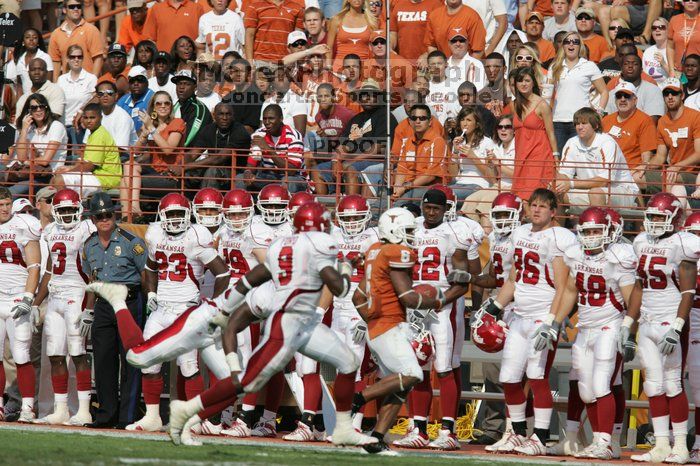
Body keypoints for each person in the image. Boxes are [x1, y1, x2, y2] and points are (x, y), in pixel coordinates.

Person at [87, 203, 378, 449]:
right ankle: (118, 301)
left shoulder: (294, 275)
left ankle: (341, 425)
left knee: (345, 360)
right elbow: (239, 310)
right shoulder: (272, 287)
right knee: (139, 356)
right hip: (210, 317)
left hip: (232, 316)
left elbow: (333, 284)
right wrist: (228, 345)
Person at [349, 206, 472, 455]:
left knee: (402, 385)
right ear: (393, 231)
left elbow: (357, 296)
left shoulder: (374, 250)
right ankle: (359, 398)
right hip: (390, 326)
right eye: (406, 231)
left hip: (381, 324)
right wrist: (438, 299)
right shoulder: (396, 251)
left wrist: (369, 318)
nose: (411, 236)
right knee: (413, 373)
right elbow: (407, 297)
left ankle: (377, 439)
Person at [473, 188, 577, 455]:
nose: (537, 210)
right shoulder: (520, 234)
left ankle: (540, 437)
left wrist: (554, 321)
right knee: (509, 377)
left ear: (554, 211)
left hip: (543, 315)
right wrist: (495, 307)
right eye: (534, 205)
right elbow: (513, 279)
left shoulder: (559, 237)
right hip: (519, 314)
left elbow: (563, 287)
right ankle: (518, 434)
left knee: (537, 376)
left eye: (543, 206)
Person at [126, 193, 229, 432]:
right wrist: (151, 293)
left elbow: (222, 273)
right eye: (170, 214)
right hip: (161, 309)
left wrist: (213, 305)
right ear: (162, 216)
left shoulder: (196, 237)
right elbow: (150, 267)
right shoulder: (154, 234)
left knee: (188, 366)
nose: (174, 219)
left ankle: (194, 420)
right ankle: (152, 417)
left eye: (178, 214)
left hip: (186, 309)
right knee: (148, 362)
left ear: (188, 214)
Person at [394, 189, 482, 450]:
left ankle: (448, 431)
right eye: (427, 207)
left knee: (444, 367)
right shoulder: (410, 229)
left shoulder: (454, 234)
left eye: (436, 208)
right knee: (417, 367)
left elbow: (463, 280)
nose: (431, 212)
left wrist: (439, 302)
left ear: (446, 210)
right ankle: (419, 428)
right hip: (415, 308)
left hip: (444, 308)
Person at [553, 207, 637, 460]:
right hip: (586, 328)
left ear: (609, 231)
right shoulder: (576, 255)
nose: (590, 237)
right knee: (585, 390)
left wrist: (629, 329)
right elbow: (570, 290)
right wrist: (555, 320)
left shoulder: (618, 256)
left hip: (610, 326)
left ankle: (605, 441)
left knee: (602, 384)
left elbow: (633, 299)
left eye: (595, 231)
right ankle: (600, 439)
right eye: (586, 231)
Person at [623, 192, 700, 463]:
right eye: (652, 216)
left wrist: (677, 326)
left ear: (675, 219)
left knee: (672, 383)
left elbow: (688, 291)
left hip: (670, 319)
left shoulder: (684, 243)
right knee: (653, 385)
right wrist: (628, 324)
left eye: (660, 216)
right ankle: (661, 444)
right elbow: (638, 286)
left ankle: (680, 445)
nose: (655, 221)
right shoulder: (642, 241)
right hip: (647, 321)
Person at [80, 192, 147, 428]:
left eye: (107, 214)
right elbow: (92, 278)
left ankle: (126, 417)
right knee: (104, 361)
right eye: (99, 216)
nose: (104, 219)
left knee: (130, 359)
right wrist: (88, 311)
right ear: (92, 219)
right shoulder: (88, 245)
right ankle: (106, 414)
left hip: (128, 303)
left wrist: (149, 302)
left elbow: (146, 274)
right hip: (102, 305)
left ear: (114, 214)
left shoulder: (132, 242)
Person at [31, 189, 95, 426]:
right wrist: (35, 303)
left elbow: (93, 271)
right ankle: (60, 409)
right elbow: (49, 270)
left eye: (70, 209)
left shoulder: (86, 229)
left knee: (78, 353)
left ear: (78, 208)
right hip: (55, 297)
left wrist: (89, 306)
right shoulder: (50, 231)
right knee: (56, 354)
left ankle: (84, 410)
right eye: (63, 210)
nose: (67, 214)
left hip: (76, 293)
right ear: (55, 212)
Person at [468, 192, 521, 448]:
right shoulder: (496, 238)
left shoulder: (523, 238)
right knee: (493, 371)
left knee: (518, 373)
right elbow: (494, 276)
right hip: (499, 307)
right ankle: (494, 426)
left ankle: (519, 429)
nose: (501, 220)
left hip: (519, 308)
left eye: (505, 214)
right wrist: (472, 279)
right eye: (497, 214)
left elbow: (518, 280)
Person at [0, 187, 41, 423]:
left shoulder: (24, 224)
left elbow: (34, 265)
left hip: (17, 297)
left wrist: (28, 296)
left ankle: (27, 407)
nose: (6, 209)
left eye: (7, 203)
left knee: (21, 354)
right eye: (1, 205)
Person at [556, 107, 640, 208]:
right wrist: (559, 182)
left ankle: (598, 224)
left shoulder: (607, 143)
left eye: (584, 123)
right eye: (577, 124)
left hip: (622, 190)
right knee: (555, 192)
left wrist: (571, 183)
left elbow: (604, 181)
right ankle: (559, 224)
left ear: (595, 125)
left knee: (596, 193)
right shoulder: (572, 143)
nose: (580, 127)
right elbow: (565, 174)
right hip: (589, 190)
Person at [549, 31, 608, 153]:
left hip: (581, 121)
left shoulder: (589, 65)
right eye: (567, 42)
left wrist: (599, 113)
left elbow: (604, 92)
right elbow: (547, 93)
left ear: (580, 45)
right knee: (560, 160)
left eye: (575, 42)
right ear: (563, 46)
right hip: (558, 120)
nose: (571, 44)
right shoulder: (555, 66)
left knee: (579, 159)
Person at [336, 79, 398, 195]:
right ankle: (329, 206)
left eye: (372, 95)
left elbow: (379, 148)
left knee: (351, 169)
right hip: (351, 159)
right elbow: (344, 144)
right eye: (364, 95)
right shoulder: (356, 118)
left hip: (375, 161)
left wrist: (352, 160)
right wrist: (336, 159)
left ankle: (352, 209)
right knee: (318, 170)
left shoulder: (386, 116)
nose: (368, 98)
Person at [52, 103, 122, 197]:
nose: (89, 121)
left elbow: (89, 166)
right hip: (97, 176)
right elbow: (85, 162)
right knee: (54, 180)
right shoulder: (94, 133)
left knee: (59, 180)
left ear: (100, 118)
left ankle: (65, 208)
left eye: (92, 118)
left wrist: (68, 170)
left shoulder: (100, 135)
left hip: (105, 178)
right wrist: (69, 168)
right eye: (85, 118)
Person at [510, 66, 557, 202]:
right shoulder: (514, 105)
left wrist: (556, 157)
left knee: (534, 197)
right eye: (520, 81)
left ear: (533, 83)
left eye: (527, 80)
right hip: (521, 156)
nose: (523, 84)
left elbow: (551, 133)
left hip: (539, 156)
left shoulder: (542, 105)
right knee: (519, 198)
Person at [235, 104, 307, 193]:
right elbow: (252, 163)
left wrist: (268, 149)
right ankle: (245, 205)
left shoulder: (294, 136)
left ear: (281, 119)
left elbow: (291, 171)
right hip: (267, 175)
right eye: (264, 119)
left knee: (287, 181)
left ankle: (285, 206)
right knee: (240, 178)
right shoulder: (259, 134)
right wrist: (248, 172)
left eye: (271, 118)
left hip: (295, 178)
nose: (267, 122)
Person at [602, 81, 657, 189]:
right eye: (619, 96)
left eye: (627, 96)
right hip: (605, 171)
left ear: (635, 100)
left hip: (629, 172)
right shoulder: (606, 120)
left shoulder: (644, 120)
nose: (622, 99)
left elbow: (646, 155)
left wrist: (644, 166)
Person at [12, 94, 69, 196]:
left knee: (13, 191)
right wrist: (24, 129)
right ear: (29, 111)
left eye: (41, 106)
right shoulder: (30, 128)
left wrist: (27, 162)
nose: (38, 110)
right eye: (34, 108)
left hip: (48, 174)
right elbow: (21, 157)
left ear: (46, 108)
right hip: (31, 172)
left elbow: (45, 160)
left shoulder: (56, 126)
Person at [188, 101, 252, 189]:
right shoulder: (208, 129)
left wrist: (186, 166)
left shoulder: (240, 131)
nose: (224, 118)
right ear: (214, 116)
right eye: (221, 114)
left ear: (233, 116)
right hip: (213, 168)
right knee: (189, 174)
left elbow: (220, 158)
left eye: (228, 114)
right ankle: (186, 200)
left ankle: (208, 201)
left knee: (212, 171)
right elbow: (192, 154)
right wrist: (179, 166)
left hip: (235, 172)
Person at [391, 105, 448, 202]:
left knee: (400, 205)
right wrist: (397, 188)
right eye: (414, 118)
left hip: (428, 187)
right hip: (407, 186)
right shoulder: (407, 142)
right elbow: (402, 169)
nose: (417, 121)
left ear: (430, 122)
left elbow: (431, 175)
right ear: (409, 121)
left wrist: (405, 188)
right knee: (383, 204)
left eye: (422, 118)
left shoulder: (438, 141)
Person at [447, 107, 497, 202]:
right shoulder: (459, 142)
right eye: (462, 120)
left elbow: (491, 176)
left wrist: (472, 156)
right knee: (436, 193)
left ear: (477, 124)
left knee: (447, 195)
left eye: (469, 120)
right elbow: (454, 175)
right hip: (460, 183)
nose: (465, 124)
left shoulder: (487, 143)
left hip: (479, 184)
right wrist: (455, 152)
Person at [48, 0, 104, 80]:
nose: (76, 9)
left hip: (87, 84)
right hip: (67, 84)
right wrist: (56, 84)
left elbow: (98, 58)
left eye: (78, 6)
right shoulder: (56, 34)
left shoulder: (91, 30)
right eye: (72, 7)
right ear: (64, 10)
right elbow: (55, 62)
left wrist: (93, 82)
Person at [57, 45, 97, 148]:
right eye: (72, 57)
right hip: (63, 126)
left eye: (79, 57)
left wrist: (81, 113)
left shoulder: (91, 79)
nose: (76, 60)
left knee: (76, 159)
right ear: (67, 59)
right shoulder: (61, 79)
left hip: (81, 127)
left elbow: (95, 100)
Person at [243, 0, 304, 65]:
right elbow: (249, 35)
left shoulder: (297, 8)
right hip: (261, 61)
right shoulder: (254, 7)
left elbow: (298, 38)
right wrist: (250, 62)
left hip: (287, 61)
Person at [605, 54, 665, 119]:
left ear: (641, 70)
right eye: (626, 64)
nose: (630, 66)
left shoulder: (653, 90)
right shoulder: (612, 93)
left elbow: (653, 121)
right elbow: (608, 120)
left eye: (635, 64)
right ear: (621, 69)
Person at [326, 0, 378, 71]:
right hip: (340, 69)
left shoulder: (371, 21)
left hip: (363, 69)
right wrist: (328, 66)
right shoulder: (337, 19)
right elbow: (329, 48)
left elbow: (375, 47)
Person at [15, 58, 66, 123]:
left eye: (41, 69)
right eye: (33, 70)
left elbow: (55, 116)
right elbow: (18, 122)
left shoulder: (55, 90)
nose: (37, 73)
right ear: (28, 73)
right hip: (29, 133)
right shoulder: (23, 98)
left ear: (46, 72)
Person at [6, 28, 54, 96]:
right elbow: (19, 85)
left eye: (34, 37)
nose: (31, 39)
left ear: (38, 42)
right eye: (27, 37)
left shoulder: (45, 57)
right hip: (25, 100)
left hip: (42, 99)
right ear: (23, 42)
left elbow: (49, 82)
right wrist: (19, 102)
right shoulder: (20, 60)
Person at [171, 70, 212, 148]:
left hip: (196, 156)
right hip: (174, 150)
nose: (181, 87)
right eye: (179, 83)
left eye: (187, 84)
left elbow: (187, 140)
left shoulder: (198, 108)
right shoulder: (175, 105)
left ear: (195, 87)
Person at [667, 0, 700, 78]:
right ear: (682, 2)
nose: (691, 1)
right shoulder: (674, 20)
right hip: (678, 72)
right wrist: (671, 70)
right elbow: (670, 47)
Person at [117, 66, 154, 134]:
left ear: (147, 83)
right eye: (132, 80)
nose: (136, 83)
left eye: (140, 80)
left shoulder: (153, 98)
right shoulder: (123, 100)